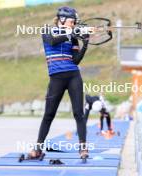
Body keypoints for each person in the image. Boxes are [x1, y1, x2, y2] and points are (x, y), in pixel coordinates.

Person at [28, 6, 89, 159]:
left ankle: (83, 148)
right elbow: (52, 42)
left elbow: (76, 60)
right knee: (49, 114)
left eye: (75, 22)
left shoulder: (73, 35)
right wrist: (69, 33)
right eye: (72, 21)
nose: (74, 24)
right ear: (62, 19)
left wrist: (85, 44)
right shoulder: (47, 30)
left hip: (74, 76)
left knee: (79, 114)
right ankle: (38, 148)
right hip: (56, 78)